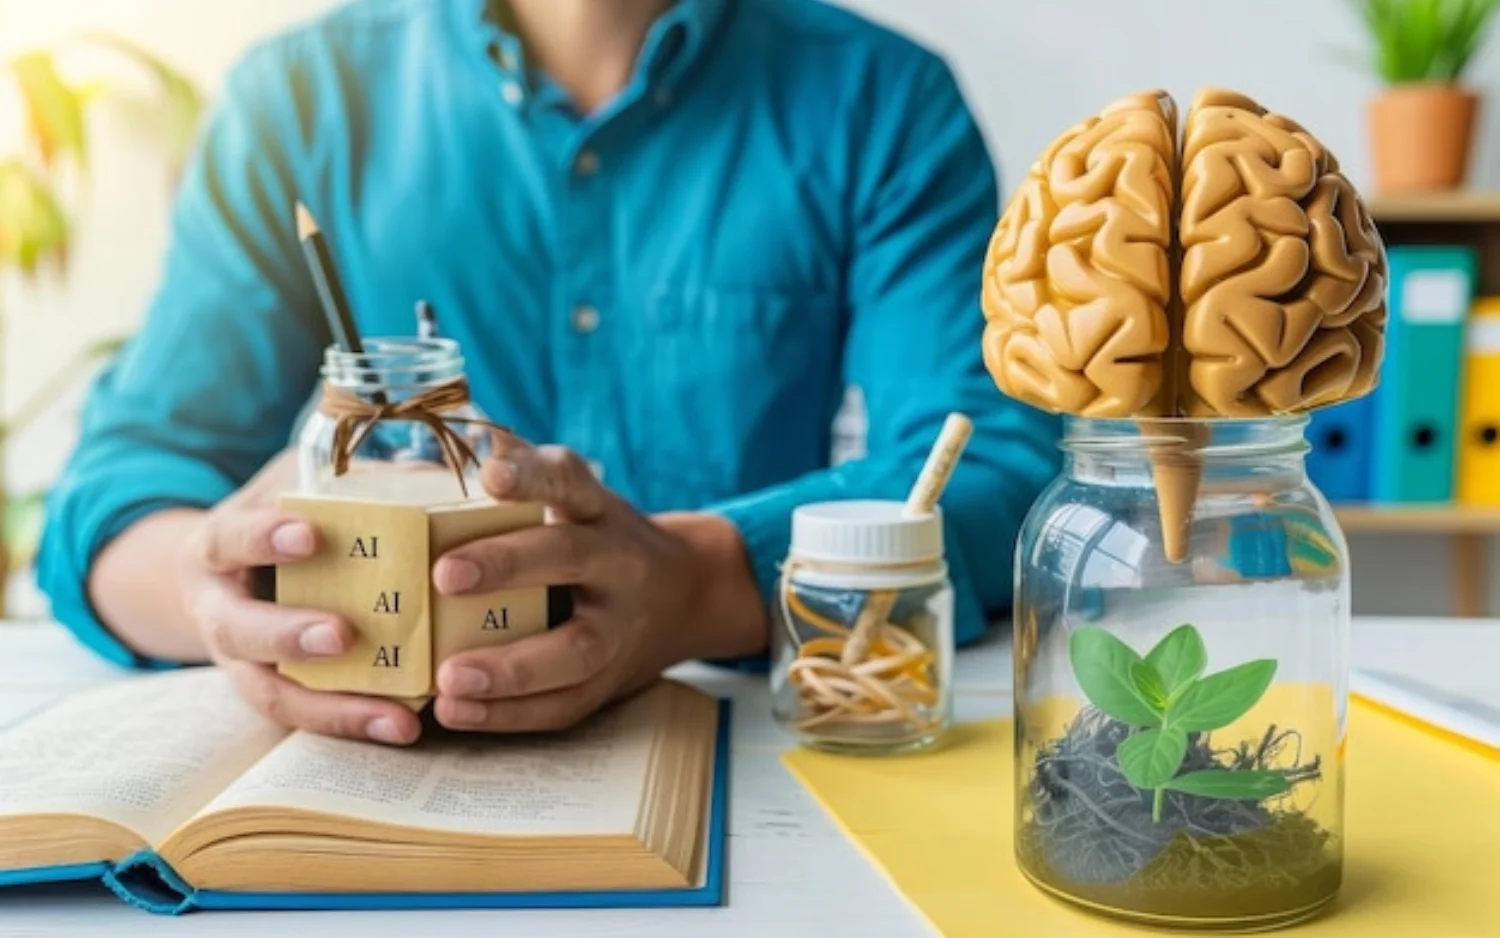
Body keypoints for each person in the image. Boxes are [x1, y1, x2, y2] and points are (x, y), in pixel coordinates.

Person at [36, 0, 1059, 746]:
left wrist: (697, 580)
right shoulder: (298, 102)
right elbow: (112, 495)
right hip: (381, 745)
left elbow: (990, 456)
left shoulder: (880, 99)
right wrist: (207, 588)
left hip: (761, 742)